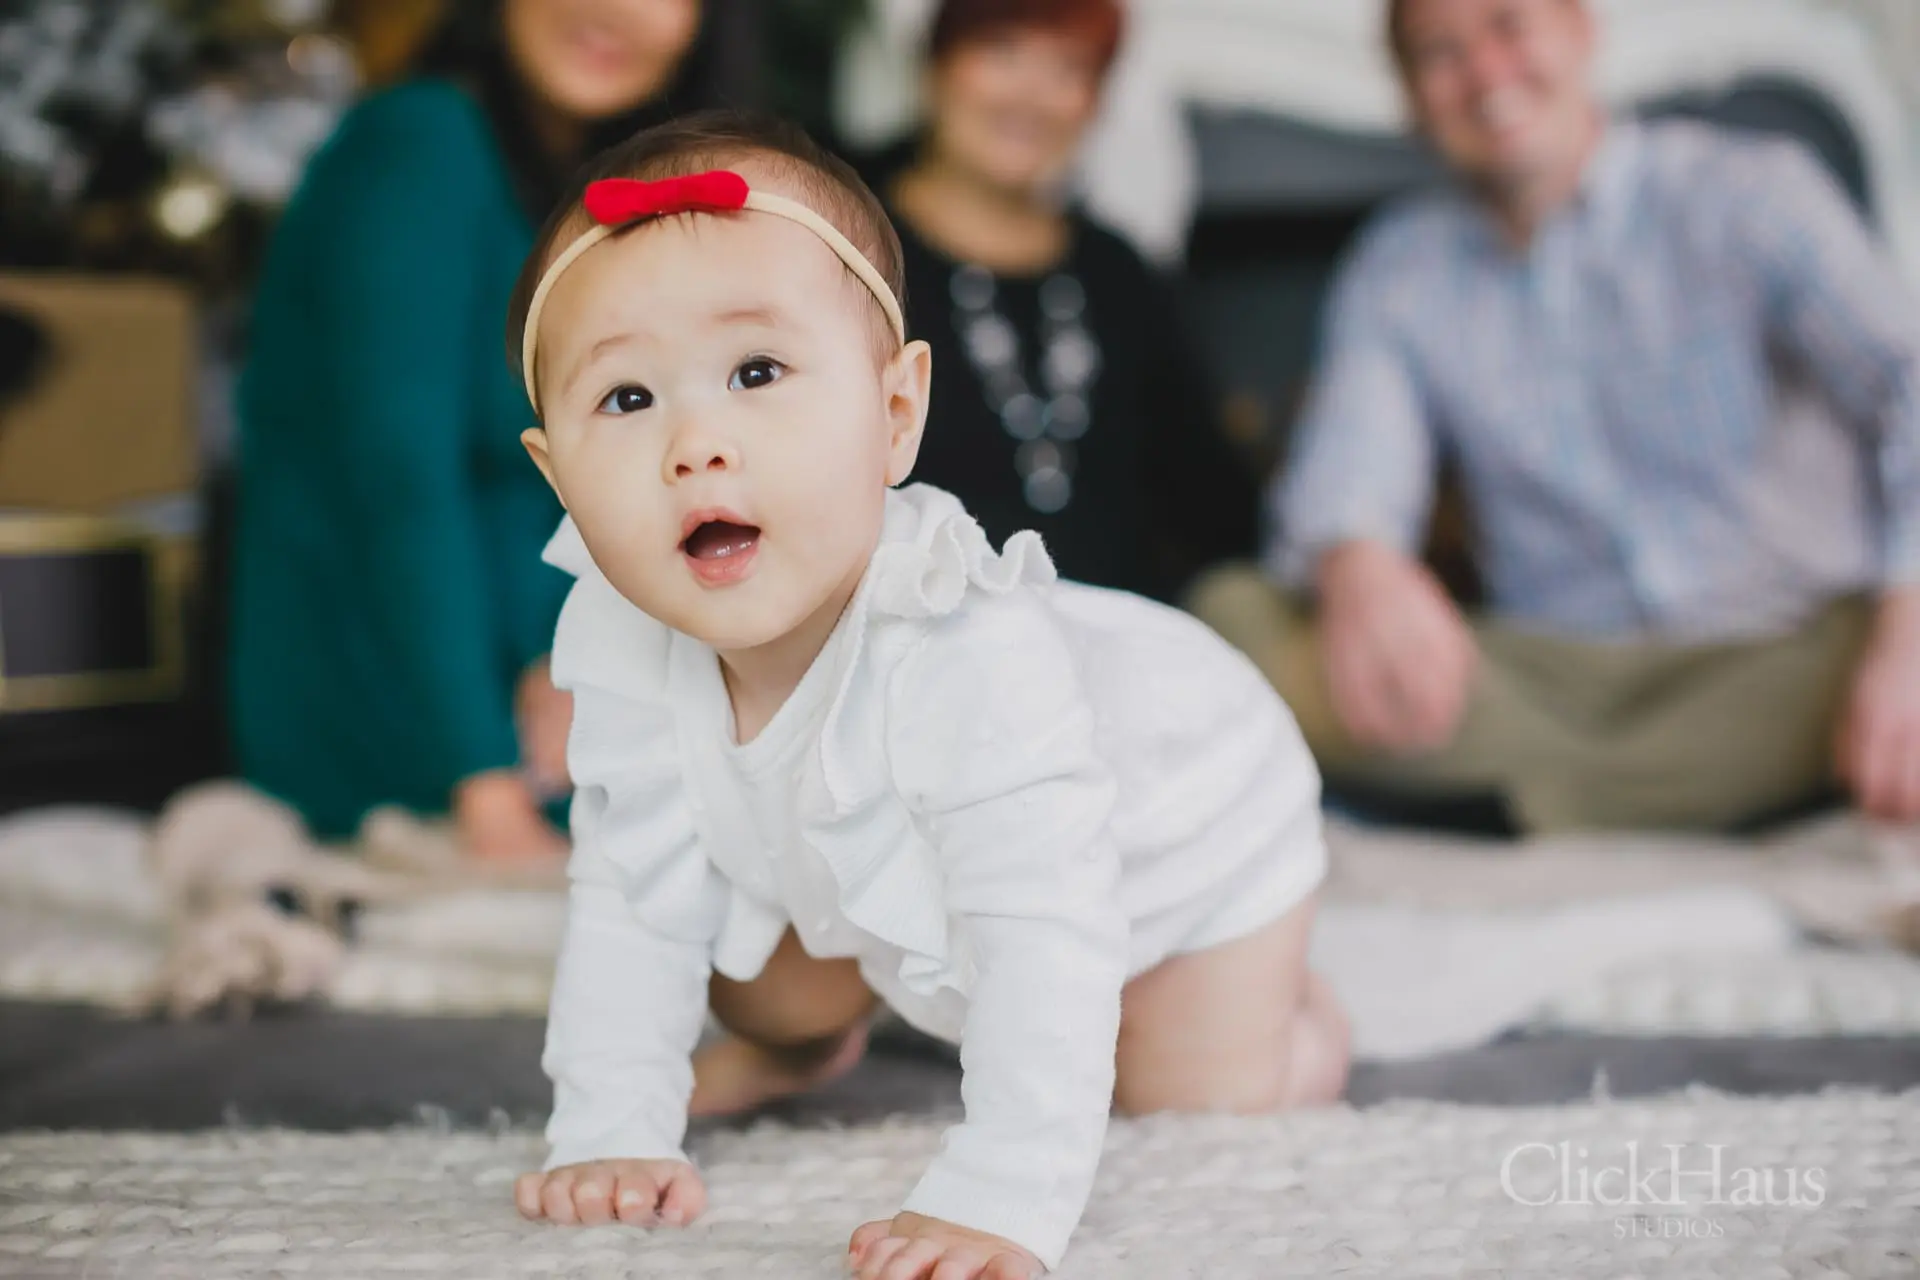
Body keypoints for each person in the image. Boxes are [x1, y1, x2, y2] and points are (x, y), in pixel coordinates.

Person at [502, 113, 1348, 1279]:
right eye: (627, 397)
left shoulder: (964, 648)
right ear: (557, 475)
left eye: (757, 373)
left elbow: (1043, 932)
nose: (695, 443)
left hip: (1188, 827)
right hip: (896, 860)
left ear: (896, 412)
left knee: (1188, 1092)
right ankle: (816, 1038)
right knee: (739, 960)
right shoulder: (622, 637)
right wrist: (610, 1125)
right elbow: (629, 893)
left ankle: (1304, 1017)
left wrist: (999, 1193)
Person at [1191, 0, 1920, 834]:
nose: (1484, 74)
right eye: (1440, 53)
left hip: (1796, 655)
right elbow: (1353, 470)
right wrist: (1361, 568)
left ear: (1581, 30)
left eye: (1509, 25)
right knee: (1233, 619)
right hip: (1554, 679)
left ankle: (1553, 803)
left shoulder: (1752, 190)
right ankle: (1682, 796)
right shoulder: (1401, 266)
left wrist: (1909, 635)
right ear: (1410, 96)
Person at [228, 0, 703, 857]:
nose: (616, 9)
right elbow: (397, 480)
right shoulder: (423, 138)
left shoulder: (591, 181)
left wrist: (593, 664)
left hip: (536, 695)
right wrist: (481, 778)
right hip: (410, 718)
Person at [874, 0, 1258, 601]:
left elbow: (1217, 507)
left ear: (1097, 102)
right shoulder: (848, 246)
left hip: (1116, 634)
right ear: (936, 65)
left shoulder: (1117, 273)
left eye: (1068, 69)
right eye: (1002, 51)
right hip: (906, 625)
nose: (1031, 96)